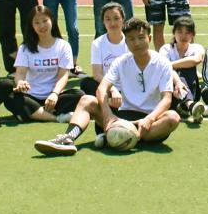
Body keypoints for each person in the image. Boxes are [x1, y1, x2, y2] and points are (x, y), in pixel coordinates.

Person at [33, 17, 181, 155]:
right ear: (126, 42)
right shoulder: (121, 62)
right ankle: (68, 139)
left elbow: (166, 99)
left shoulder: (163, 63)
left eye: (141, 38)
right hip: (122, 117)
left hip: (149, 122)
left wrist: (149, 119)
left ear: (149, 38)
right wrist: (108, 116)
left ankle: (121, 137)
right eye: (131, 39)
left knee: (173, 117)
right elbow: (102, 89)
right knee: (87, 100)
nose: (136, 43)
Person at [6, 5, 85, 122]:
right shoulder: (25, 48)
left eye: (45, 20)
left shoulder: (63, 46)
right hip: (31, 96)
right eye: (37, 22)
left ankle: (34, 113)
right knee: (10, 97)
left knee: (79, 94)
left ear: (52, 20)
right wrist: (20, 82)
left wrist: (55, 94)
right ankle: (56, 118)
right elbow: (20, 73)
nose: (42, 26)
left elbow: (63, 75)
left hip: (54, 97)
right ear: (32, 25)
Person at [158, 16, 205, 122]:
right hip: (171, 91)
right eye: (179, 32)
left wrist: (170, 65)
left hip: (192, 89)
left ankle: (186, 106)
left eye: (187, 32)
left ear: (193, 35)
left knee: (187, 68)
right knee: (171, 72)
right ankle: (190, 106)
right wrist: (178, 82)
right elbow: (166, 71)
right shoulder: (166, 49)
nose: (183, 36)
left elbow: (195, 60)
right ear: (174, 33)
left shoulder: (196, 47)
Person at [80, 2, 130, 96]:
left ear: (123, 19)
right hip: (107, 88)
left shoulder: (130, 41)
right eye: (108, 19)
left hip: (127, 88)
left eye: (116, 18)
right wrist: (112, 89)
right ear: (103, 21)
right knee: (86, 83)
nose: (112, 23)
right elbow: (97, 74)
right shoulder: (97, 43)